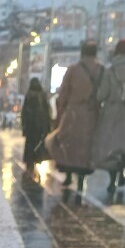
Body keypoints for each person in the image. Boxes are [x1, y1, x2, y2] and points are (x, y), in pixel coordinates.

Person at [45, 41, 103, 191]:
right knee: (85, 147)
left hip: (73, 113)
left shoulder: (73, 70)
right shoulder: (101, 71)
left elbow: (63, 92)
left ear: (82, 53)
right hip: (92, 113)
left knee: (70, 144)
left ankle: (69, 174)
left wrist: (60, 111)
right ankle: (82, 178)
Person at [92, 39, 125, 193]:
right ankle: (122, 172)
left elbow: (102, 95)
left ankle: (112, 177)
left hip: (112, 113)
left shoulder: (111, 70)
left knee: (112, 146)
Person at [21, 78, 52, 175]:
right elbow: (47, 111)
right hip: (40, 126)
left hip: (30, 125)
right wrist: (47, 126)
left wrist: (24, 125)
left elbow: (24, 112)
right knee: (39, 143)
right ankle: (37, 158)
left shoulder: (29, 95)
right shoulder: (43, 95)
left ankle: (29, 162)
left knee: (30, 144)